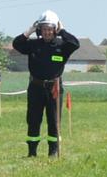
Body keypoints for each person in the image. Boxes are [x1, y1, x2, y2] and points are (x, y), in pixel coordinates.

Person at [11, 10, 80, 157]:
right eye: (44, 29)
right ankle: (32, 151)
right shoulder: (33, 45)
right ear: (39, 30)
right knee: (33, 119)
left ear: (55, 30)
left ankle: (53, 151)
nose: (47, 32)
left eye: (50, 29)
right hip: (35, 87)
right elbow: (17, 44)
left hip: (54, 88)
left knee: (54, 120)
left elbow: (75, 43)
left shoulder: (63, 46)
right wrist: (29, 31)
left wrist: (63, 31)